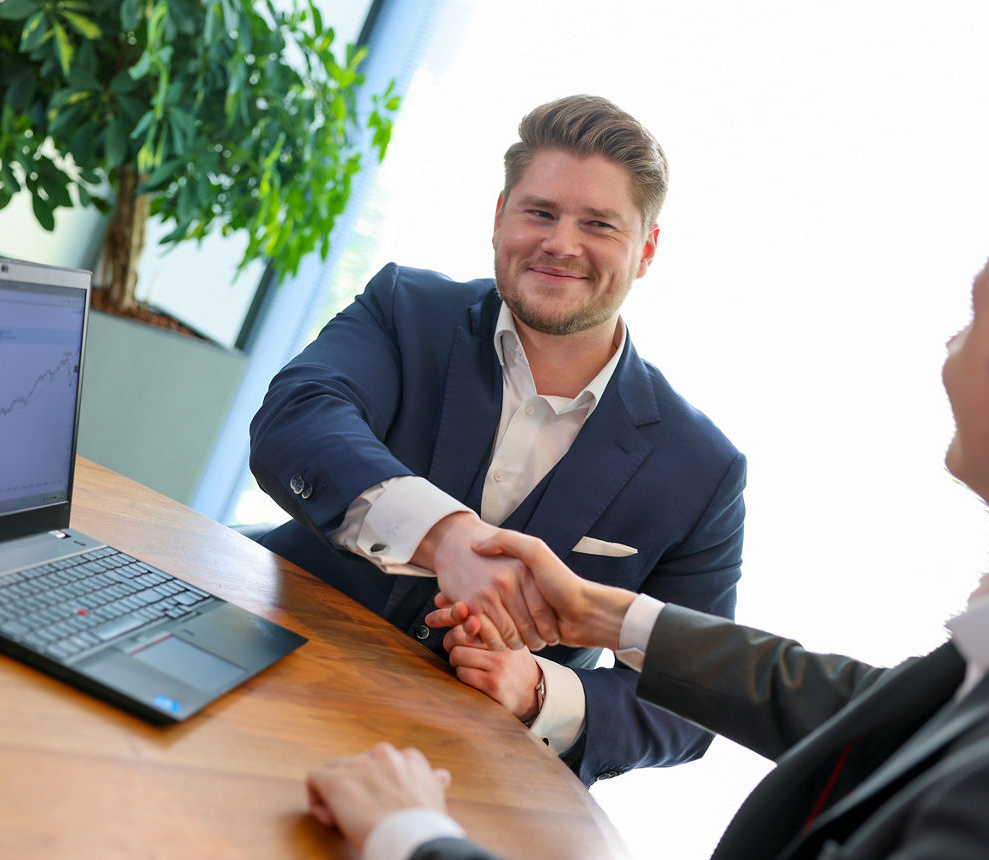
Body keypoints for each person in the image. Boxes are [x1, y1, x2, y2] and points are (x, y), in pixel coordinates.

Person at [305, 142, 989, 859]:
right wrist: (602, 615)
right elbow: (870, 705)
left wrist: (411, 835)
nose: (949, 349)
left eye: (974, 315)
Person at [250, 95, 747, 784]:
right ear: (499, 217)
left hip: (473, 772)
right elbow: (297, 418)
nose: (561, 243)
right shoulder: (404, 307)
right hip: (268, 666)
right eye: (540, 211)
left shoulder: (703, 471)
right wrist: (445, 538)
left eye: (598, 223)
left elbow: (692, 702)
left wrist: (538, 692)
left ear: (647, 250)